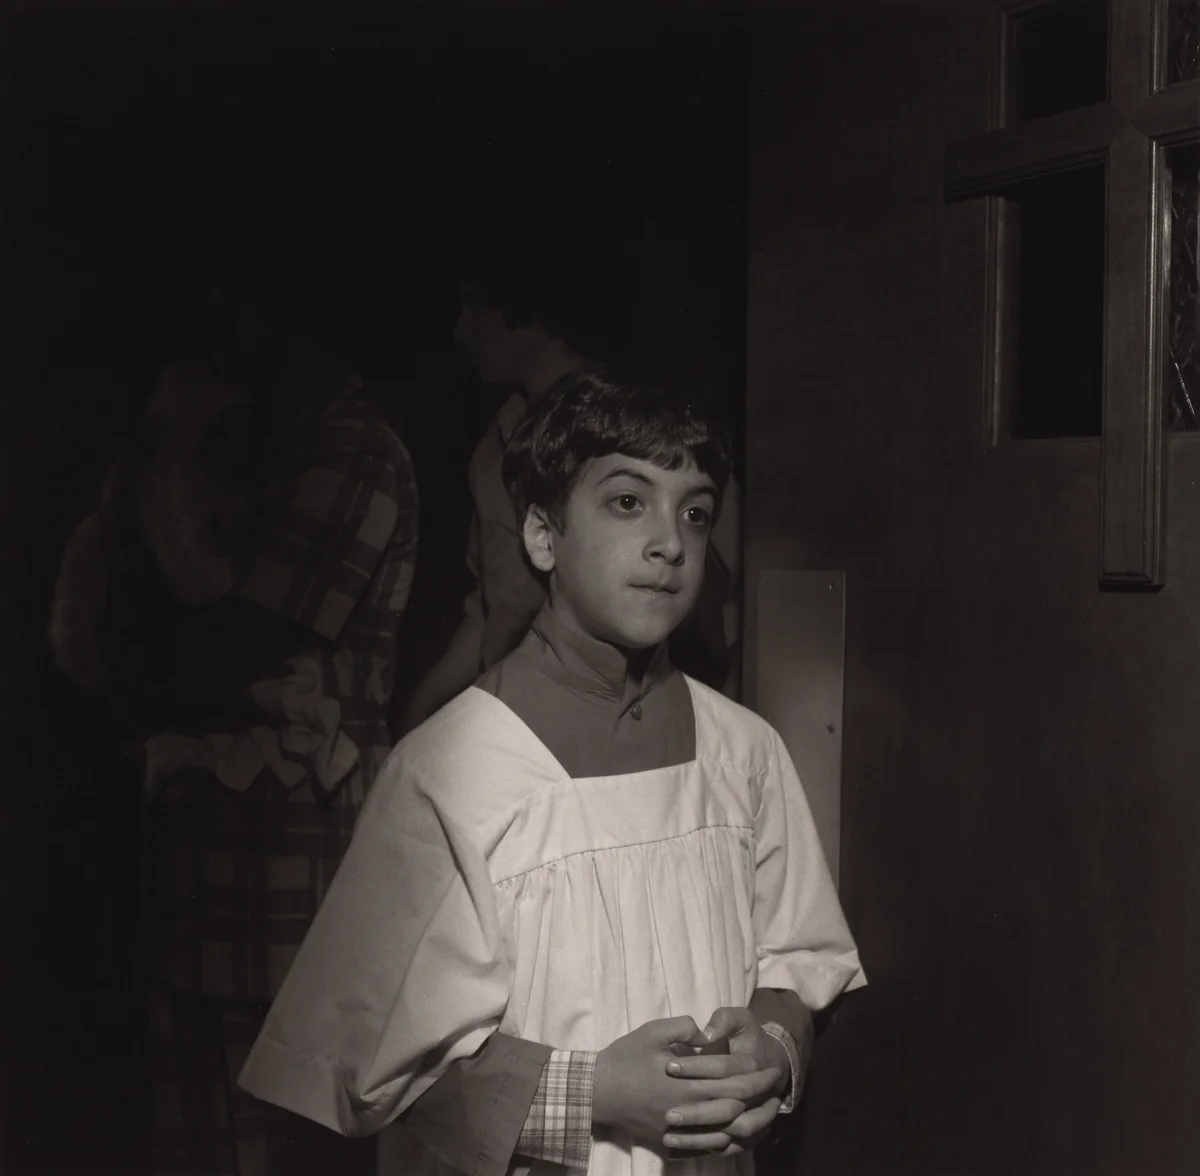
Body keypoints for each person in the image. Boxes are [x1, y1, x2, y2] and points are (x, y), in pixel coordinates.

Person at [239, 367, 865, 1175]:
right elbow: (365, 1069)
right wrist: (594, 1092)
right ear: (542, 535)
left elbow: (796, 959)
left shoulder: (743, 752)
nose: (670, 542)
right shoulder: (453, 770)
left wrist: (774, 1046)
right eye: (627, 502)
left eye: (697, 512)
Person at [49, 293, 421, 1176]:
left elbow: (225, 644)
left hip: (281, 863)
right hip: (207, 854)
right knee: (201, 1123)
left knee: (279, 1124)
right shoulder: (263, 445)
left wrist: (154, 662)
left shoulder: (352, 451)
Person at [397, 223, 741, 734]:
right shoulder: (494, 451)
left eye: (476, 306)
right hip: (516, 727)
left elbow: (726, 622)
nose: (460, 331)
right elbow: (488, 610)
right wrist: (418, 717)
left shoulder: (659, 435)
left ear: (526, 304)